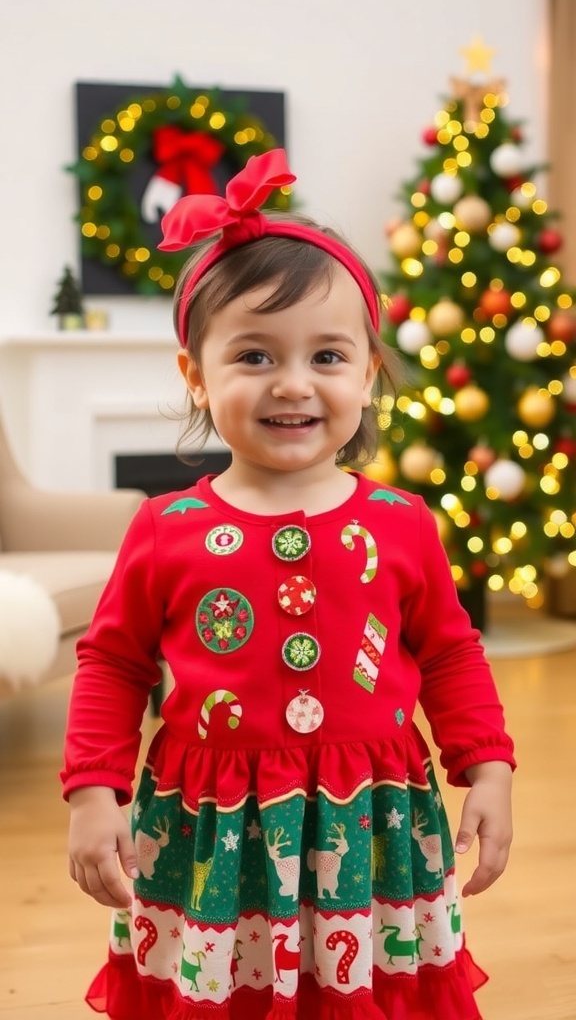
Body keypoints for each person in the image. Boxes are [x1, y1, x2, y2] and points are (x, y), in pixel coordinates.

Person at [61, 148, 515, 1020]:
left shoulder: (401, 522)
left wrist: (486, 768)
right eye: (257, 356)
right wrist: (93, 793)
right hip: (217, 829)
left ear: (370, 372)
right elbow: (112, 663)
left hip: (374, 823)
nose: (295, 384)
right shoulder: (167, 528)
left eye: (329, 356)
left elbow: (453, 652)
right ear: (197, 374)